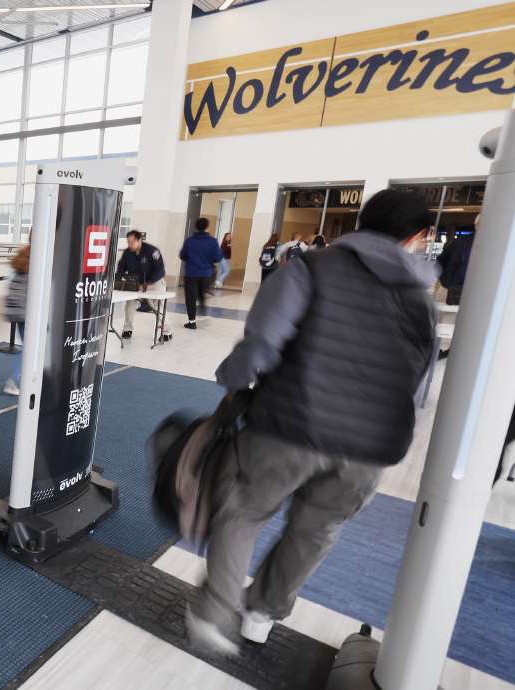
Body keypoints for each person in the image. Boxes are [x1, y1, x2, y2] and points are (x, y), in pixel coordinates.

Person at [187, 189, 437, 655]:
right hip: (367, 449)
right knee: (315, 531)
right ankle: (261, 615)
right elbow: (418, 388)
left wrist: (232, 381)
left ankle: (213, 612)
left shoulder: (311, 268)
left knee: (242, 512)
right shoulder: (421, 302)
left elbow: (262, 345)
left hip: (288, 426)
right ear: (417, 236)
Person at [119, 231, 172, 341]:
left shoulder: (152, 251)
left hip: (154, 282)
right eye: (128, 242)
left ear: (139, 240)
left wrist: (149, 283)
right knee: (130, 304)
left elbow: (160, 270)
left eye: (132, 242)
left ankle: (166, 331)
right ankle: (127, 329)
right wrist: (120, 280)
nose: (130, 244)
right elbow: (121, 268)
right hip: (137, 284)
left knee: (158, 305)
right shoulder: (127, 253)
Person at [179, 217, 223, 330]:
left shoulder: (189, 241)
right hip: (207, 274)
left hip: (191, 274)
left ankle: (192, 322)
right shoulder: (213, 241)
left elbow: (182, 255)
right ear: (207, 227)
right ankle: (203, 305)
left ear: (196, 227)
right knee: (201, 292)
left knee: (190, 298)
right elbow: (217, 258)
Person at [2, 245, 30, 396]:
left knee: (28, 347)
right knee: (29, 349)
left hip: (18, 311)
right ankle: (13, 381)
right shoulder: (38, 260)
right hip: (28, 313)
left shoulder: (22, 256)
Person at [438, 215, 477, 306]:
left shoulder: (461, 241)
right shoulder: (498, 246)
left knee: (452, 315)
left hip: (455, 286)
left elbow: (440, 261)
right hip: (475, 289)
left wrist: (446, 281)